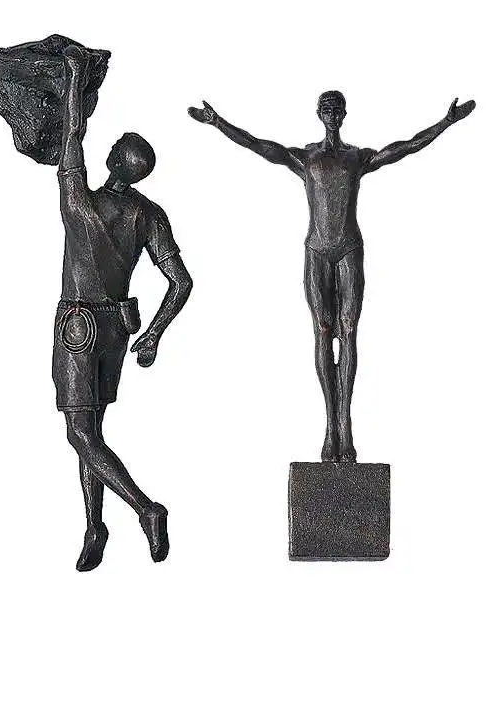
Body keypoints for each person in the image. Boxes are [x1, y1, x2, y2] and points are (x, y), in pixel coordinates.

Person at [189, 92, 475, 462]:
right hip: (317, 250)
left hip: (348, 249)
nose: (332, 115)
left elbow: (406, 147)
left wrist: (445, 123)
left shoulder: (357, 158)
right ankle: (330, 428)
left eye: (337, 109)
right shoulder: (306, 158)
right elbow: (257, 145)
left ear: (345, 114)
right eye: (327, 109)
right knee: (323, 331)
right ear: (318, 114)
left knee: (349, 331)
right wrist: (218, 122)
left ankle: (345, 423)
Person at [55, 46, 193, 570]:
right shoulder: (150, 215)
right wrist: (154, 333)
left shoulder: (79, 202)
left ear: (114, 160)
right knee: (92, 433)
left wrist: (75, 78)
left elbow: (72, 135)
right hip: (117, 329)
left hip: (78, 326)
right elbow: (181, 282)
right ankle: (94, 527)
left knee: (79, 433)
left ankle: (145, 509)